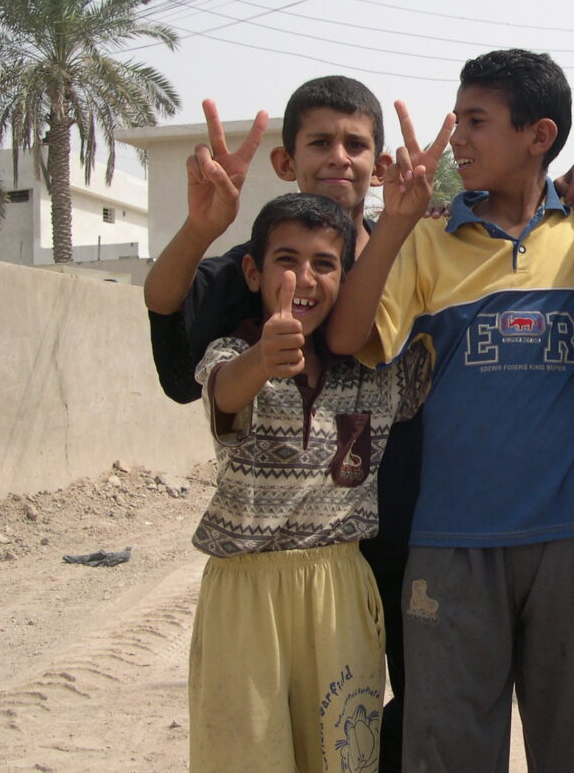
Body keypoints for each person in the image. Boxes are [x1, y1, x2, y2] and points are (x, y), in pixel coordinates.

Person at [142, 76, 574, 771]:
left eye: (355, 143)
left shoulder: (422, 241)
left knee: (398, 714)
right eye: (320, 142)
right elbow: (186, 363)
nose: (339, 158)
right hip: (300, 556)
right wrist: (203, 227)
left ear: (380, 163)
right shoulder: (261, 265)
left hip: (419, 532)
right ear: (285, 161)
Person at [326, 49, 574, 773]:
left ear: (538, 134)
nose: (456, 137)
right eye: (456, 120)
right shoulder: (428, 241)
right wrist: (393, 223)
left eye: (475, 121)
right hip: (453, 542)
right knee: (448, 752)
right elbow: (346, 336)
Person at [187, 192, 431, 772]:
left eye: (324, 264)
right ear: (253, 271)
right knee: (247, 754)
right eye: (286, 260)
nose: (304, 278)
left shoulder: (377, 374)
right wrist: (264, 357)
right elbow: (223, 393)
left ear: (347, 278)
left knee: (344, 755)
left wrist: (421, 226)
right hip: (244, 595)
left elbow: (440, 328)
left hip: (341, 587)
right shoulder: (233, 352)